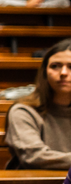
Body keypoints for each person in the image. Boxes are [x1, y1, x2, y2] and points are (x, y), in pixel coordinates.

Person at [5, 39, 71, 170]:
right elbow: (34, 156)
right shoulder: (24, 111)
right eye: (55, 66)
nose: (63, 73)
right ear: (45, 72)